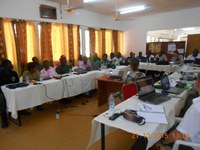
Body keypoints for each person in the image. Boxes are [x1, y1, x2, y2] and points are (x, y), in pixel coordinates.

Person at [159, 72, 200, 150]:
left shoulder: (197, 108)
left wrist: (162, 142)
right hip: (194, 137)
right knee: (167, 125)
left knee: (157, 134)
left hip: (190, 145)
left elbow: (178, 134)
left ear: (198, 84)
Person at [0, 59, 19, 128]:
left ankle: (21, 111)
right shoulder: (0, 74)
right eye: (9, 64)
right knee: (2, 101)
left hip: (13, 91)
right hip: (2, 92)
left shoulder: (14, 73)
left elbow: (17, 82)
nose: (11, 65)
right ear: (4, 66)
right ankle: (4, 120)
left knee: (20, 94)